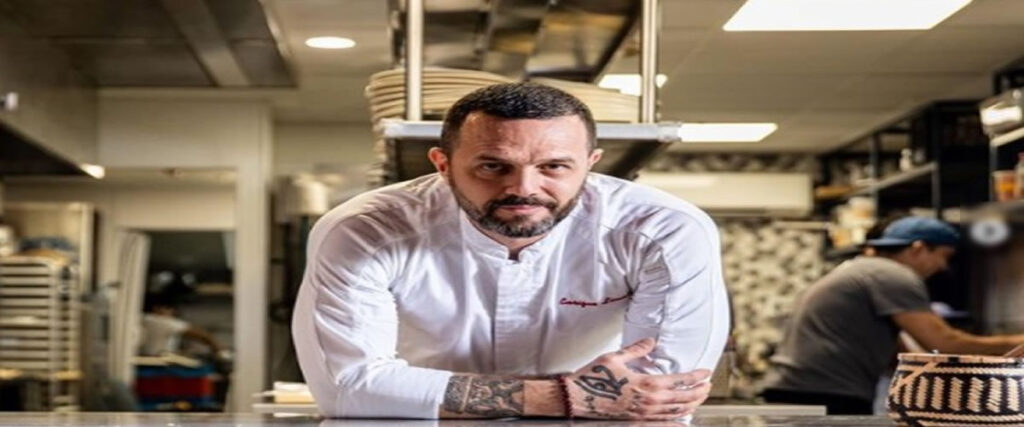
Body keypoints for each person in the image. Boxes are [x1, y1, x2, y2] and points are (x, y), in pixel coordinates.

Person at [292, 83, 730, 419]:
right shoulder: (364, 230)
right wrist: (565, 396)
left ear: (590, 164)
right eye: (493, 166)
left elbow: (661, 396)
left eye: (553, 167)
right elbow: (346, 389)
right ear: (443, 165)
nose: (523, 188)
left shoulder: (663, 230)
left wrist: (407, 392)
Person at [763, 216, 1024, 415]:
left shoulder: (862, 270)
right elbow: (945, 343)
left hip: (798, 391)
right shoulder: (893, 276)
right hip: (823, 395)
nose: (943, 267)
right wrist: (1017, 342)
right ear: (918, 248)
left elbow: (899, 356)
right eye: (943, 256)